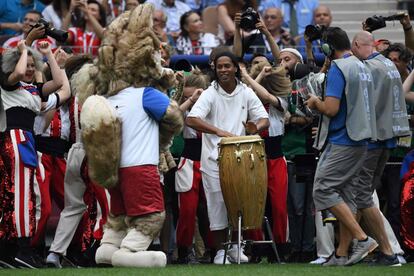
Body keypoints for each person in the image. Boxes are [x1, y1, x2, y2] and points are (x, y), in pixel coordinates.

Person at [186, 51, 269, 264]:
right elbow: (192, 119)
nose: (223, 70)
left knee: (237, 202)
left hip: (241, 157)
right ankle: (221, 250)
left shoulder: (246, 92)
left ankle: (234, 247)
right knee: (217, 205)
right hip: (214, 159)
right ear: (215, 69)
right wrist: (219, 132)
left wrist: (254, 128)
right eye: (219, 66)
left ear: (235, 68)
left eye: (227, 66)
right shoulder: (209, 93)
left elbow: (264, 119)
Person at [305, 27, 378, 266]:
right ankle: (342, 254)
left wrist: (316, 102)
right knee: (347, 194)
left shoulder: (338, 67)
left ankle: (362, 238)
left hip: (343, 139)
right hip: (362, 138)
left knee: (322, 189)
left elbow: (331, 109)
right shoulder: (361, 64)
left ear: (327, 48)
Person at [346, 30, 409, 266]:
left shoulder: (367, 68)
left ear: (357, 45)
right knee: (364, 196)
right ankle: (352, 250)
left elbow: (361, 104)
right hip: (388, 138)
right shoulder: (388, 65)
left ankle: (388, 251)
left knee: (362, 196)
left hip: (371, 138)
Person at [0, 40, 63, 268]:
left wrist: (47, 55)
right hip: (15, 138)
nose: (28, 69)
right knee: (19, 197)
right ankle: (22, 250)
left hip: (24, 139)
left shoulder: (31, 89)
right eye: (25, 65)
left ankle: (10, 250)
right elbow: (16, 72)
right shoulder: (8, 83)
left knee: (16, 196)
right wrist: (25, 50)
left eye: (31, 66)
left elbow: (58, 83)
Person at [175, 70, 210, 264]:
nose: (193, 99)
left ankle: (215, 249)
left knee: (213, 209)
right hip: (188, 160)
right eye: (187, 96)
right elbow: (171, 118)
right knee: (187, 211)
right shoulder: (183, 107)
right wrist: (189, 101)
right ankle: (184, 251)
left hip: (210, 159)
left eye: (196, 95)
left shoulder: (213, 103)